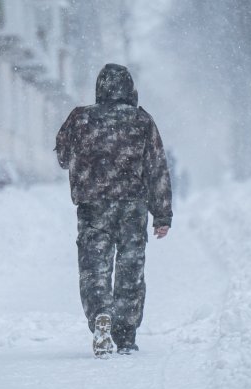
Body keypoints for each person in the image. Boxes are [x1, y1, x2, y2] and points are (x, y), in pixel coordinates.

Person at [55, 63, 173, 358]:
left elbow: (62, 156)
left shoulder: (80, 118)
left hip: (93, 207)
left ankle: (100, 317)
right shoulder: (142, 120)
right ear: (130, 89)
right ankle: (126, 334)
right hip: (132, 207)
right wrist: (162, 215)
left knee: (95, 267)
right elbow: (156, 168)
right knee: (129, 270)